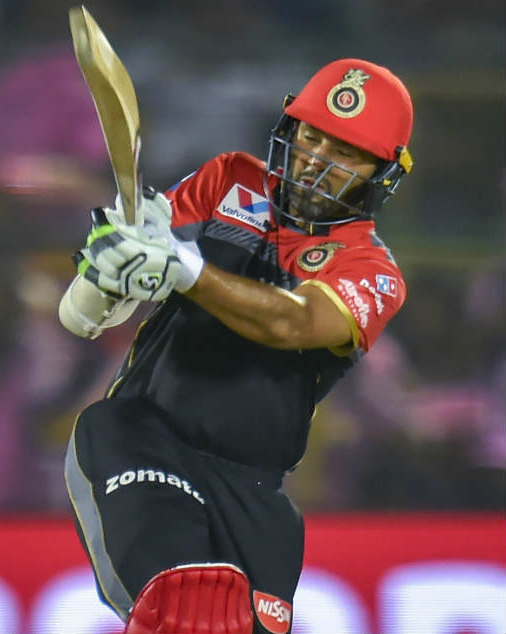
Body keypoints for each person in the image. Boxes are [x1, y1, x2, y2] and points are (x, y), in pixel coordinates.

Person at [59, 58, 414, 634]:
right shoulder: (229, 181)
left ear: (382, 172)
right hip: (142, 442)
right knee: (186, 609)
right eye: (312, 136)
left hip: (254, 495)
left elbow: (294, 323)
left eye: (345, 152)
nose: (317, 160)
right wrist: (112, 269)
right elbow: (91, 310)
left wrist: (181, 268)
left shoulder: (372, 272)